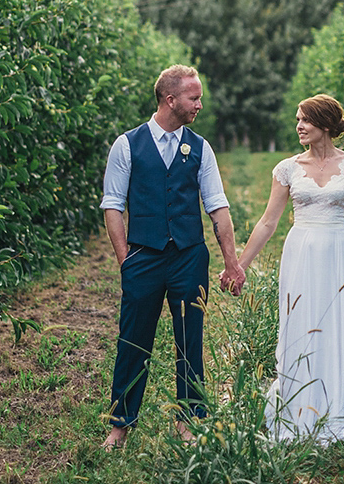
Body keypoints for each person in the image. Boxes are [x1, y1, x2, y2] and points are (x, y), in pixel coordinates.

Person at [99, 65, 245, 450]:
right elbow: (113, 206)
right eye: (194, 98)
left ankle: (189, 422)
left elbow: (217, 207)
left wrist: (232, 262)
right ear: (170, 100)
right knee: (133, 342)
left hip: (188, 257)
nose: (200, 104)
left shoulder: (200, 147)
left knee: (189, 341)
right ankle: (119, 426)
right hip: (143, 258)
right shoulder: (127, 145)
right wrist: (125, 259)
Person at [236, 93, 344, 443]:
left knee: (340, 324)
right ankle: (301, 407)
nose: (299, 126)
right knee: (303, 323)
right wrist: (239, 266)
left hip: (339, 253)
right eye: (297, 120)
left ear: (324, 124)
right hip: (301, 254)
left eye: (304, 120)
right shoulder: (288, 168)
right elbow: (267, 222)